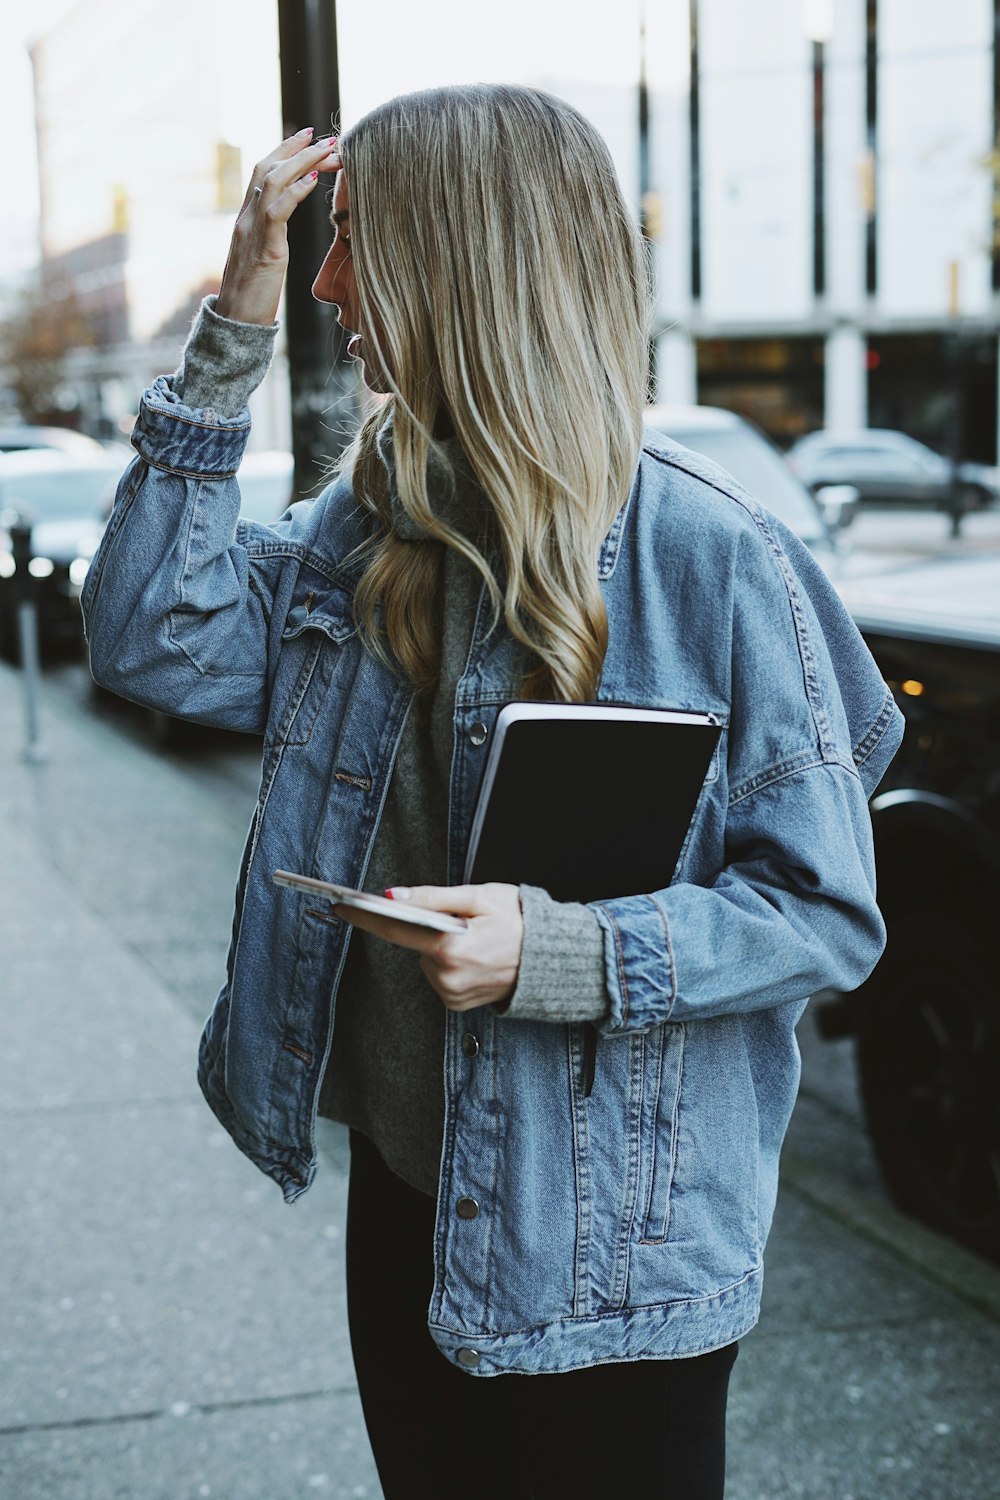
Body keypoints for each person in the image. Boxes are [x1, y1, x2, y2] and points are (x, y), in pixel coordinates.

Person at [82, 84, 904, 1500]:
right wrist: (234, 322)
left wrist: (566, 952)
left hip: (616, 1256)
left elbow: (825, 914)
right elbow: (152, 629)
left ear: (461, 267)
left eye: (355, 248)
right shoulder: (368, 530)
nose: (327, 286)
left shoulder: (712, 560)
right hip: (410, 1200)